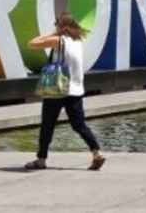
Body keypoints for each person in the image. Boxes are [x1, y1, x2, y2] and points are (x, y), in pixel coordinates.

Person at [25, 12, 104, 171]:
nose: (55, 26)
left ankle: (41, 160)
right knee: (79, 125)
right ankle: (97, 153)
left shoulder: (58, 40)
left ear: (62, 27)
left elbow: (31, 44)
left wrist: (54, 33)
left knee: (47, 125)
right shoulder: (78, 42)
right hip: (76, 90)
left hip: (58, 89)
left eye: (57, 24)